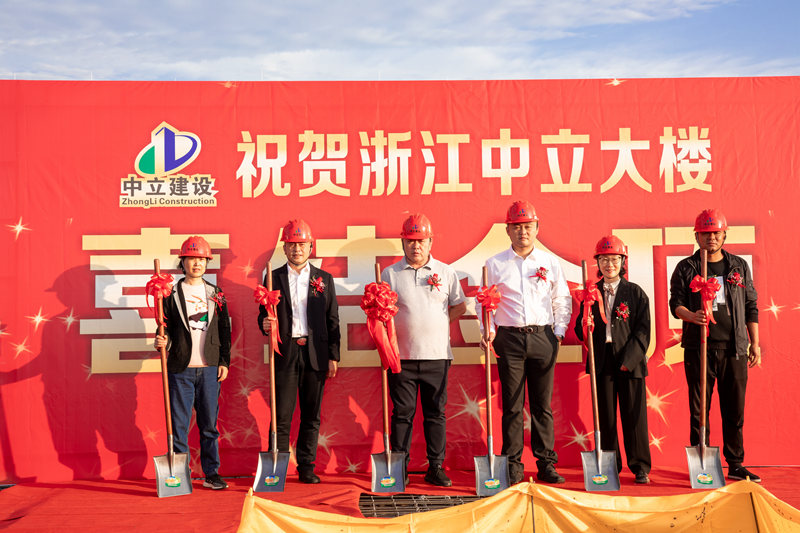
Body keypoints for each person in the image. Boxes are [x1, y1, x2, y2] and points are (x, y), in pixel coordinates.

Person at [480, 200, 571, 484]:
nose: (523, 232)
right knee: (513, 406)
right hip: (509, 339)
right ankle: (513, 464)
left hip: (543, 337)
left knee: (542, 405)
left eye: (528, 226)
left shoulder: (549, 262)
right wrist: (488, 330)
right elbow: (485, 302)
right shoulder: (494, 264)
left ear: (537, 228)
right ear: (507, 230)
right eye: (517, 227)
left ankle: (546, 463)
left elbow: (561, 298)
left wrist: (559, 332)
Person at [669, 208, 761, 482]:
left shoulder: (738, 266)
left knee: (734, 408)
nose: (711, 238)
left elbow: (751, 305)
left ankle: (735, 463)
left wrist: (755, 343)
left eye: (716, 233)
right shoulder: (686, 267)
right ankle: (703, 465)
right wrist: (691, 315)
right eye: (705, 233)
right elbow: (676, 303)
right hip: (700, 348)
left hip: (734, 348)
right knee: (700, 409)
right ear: (696, 236)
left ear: (724, 235)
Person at [380, 213, 466, 487]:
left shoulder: (446, 272)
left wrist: (438, 324)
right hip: (401, 357)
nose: (416, 246)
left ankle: (436, 467)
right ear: (403, 243)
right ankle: (399, 467)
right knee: (402, 413)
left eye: (421, 241)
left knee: (435, 414)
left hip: (437, 356)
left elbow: (459, 305)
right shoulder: (390, 274)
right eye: (411, 241)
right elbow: (381, 311)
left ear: (430, 242)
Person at [257, 219, 340, 484]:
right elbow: (262, 315)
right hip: (286, 352)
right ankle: (276, 469)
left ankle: (306, 466)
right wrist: (264, 323)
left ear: (310, 246)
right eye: (292, 244)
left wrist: (333, 356)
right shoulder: (273, 277)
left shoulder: (323, 279)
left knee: (311, 415)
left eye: (302, 244)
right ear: (284, 247)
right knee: (281, 414)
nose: (297, 249)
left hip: (316, 353)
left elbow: (333, 319)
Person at [155, 236, 231, 490]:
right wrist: (161, 339)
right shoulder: (170, 293)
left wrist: (224, 361)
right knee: (178, 426)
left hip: (209, 368)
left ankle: (212, 474)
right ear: (183, 262)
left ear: (207, 262)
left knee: (209, 426)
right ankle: (179, 476)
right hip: (181, 369)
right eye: (191, 259)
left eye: (201, 259)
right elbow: (163, 325)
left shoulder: (216, 293)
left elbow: (224, 329)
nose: (196, 264)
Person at [574, 236, 652, 484]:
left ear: (623, 261)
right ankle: (609, 465)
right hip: (602, 360)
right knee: (605, 417)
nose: (610, 265)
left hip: (630, 361)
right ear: (598, 262)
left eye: (615, 259)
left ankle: (640, 466)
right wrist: (584, 323)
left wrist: (629, 360)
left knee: (634, 416)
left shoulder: (635, 293)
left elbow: (643, 331)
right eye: (604, 260)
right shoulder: (590, 293)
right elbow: (579, 330)